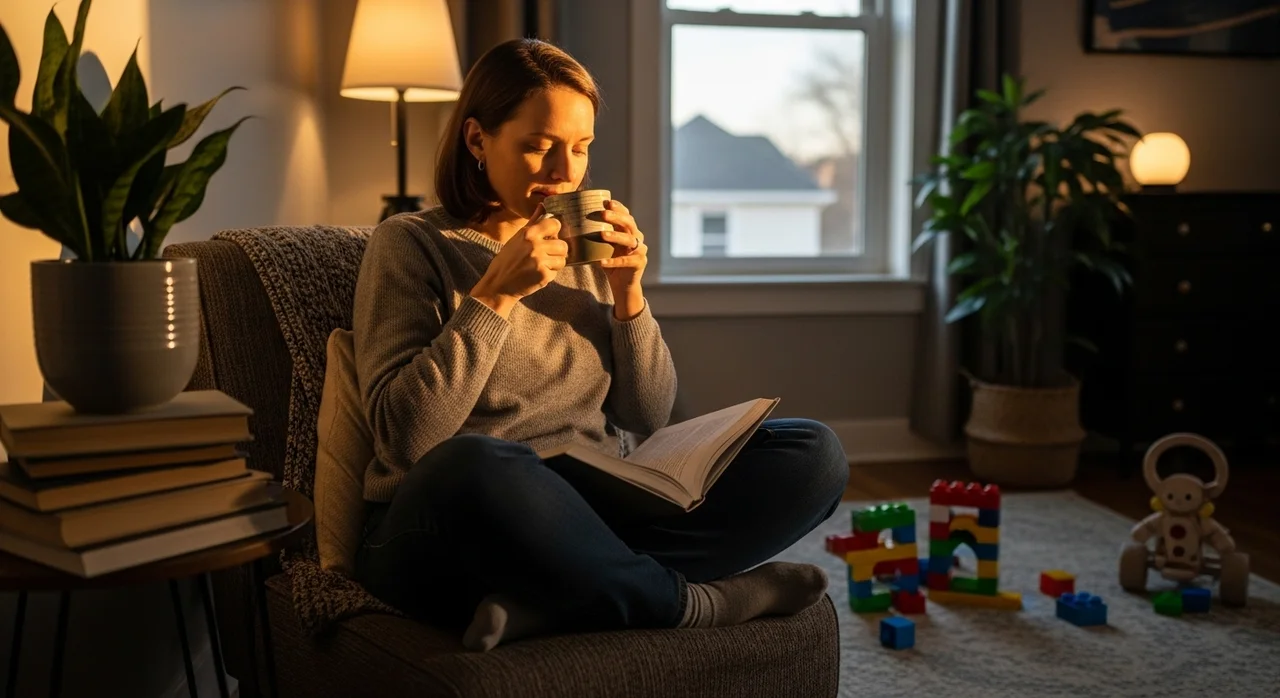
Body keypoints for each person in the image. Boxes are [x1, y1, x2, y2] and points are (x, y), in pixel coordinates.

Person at [350, 37, 849, 652]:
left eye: (580, 148)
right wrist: (494, 297)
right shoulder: (409, 243)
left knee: (812, 453)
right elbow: (407, 440)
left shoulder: (581, 245)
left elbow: (646, 414)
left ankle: (559, 597)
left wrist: (628, 295)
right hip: (448, 526)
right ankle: (692, 602)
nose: (565, 173)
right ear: (478, 140)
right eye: (539, 147)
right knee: (472, 462)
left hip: (588, 512)